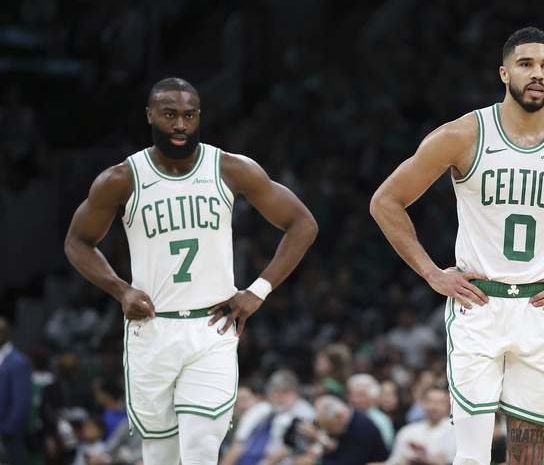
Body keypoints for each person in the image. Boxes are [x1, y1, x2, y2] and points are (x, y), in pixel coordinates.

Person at [370, 27, 544, 465]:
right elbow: (385, 201)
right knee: (472, 457)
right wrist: (432, 274)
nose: (537, 74)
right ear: (503, 72)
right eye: (526, 64)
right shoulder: (463, 134)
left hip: (539, 311)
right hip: (479, 307)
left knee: (527, 459)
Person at [64, 77, 318, 465]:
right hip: (153, 328)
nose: (180, 124)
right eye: (170, 114)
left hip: (211, 327)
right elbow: (77, 242)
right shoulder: (123, 178)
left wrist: (258, 290)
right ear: (150, 116)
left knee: (201, 450)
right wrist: (120, 289)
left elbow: (302, 223)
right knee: (160, 456)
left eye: (189, 115)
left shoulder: (230, 168)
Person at [292, 394, 389, 465]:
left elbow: (349, 462)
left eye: (328, 426)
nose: (327, 431)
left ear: (339, 416)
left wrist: (316, 462)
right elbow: (339, 452)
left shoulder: (363, 428)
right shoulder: (349, 422)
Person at [384, 386, 456, 465]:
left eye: (441, 402)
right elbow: (394, 460)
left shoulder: (455, 431)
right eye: (430, 401)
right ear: (422, 403)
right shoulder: (407, 431)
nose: (435, 406)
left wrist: (429, 460)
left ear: (448, 404)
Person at [0, 317, 32, 464]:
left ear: (8, 334)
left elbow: (21, 401)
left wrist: (5, 430)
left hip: (5, 436)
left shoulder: (18, 362)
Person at [347, 374, 395, 450]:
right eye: (352, 395)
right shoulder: (345, 417)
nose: (355, 400)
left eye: (361, 395)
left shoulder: (381, 421)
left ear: (373, 398)